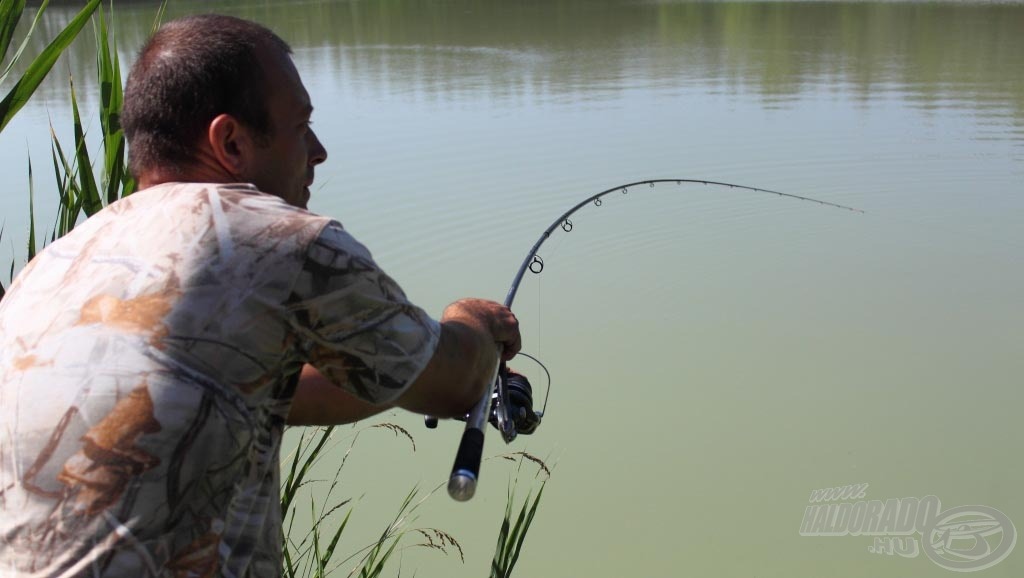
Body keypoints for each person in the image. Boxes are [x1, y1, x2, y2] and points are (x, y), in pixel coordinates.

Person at [0, 14, 520, 577]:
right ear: (231, 142)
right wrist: (470, 321)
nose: (318, 151)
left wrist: (395, 367)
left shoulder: (50, 268)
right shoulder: (283, 242)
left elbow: (256, 392)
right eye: (301, 127)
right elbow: (455, 380)